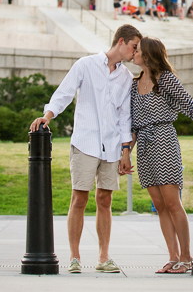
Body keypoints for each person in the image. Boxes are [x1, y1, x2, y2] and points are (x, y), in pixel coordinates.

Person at [30, 24, 142, 275]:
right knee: (79, 199)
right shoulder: (85, 65)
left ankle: (103, 257)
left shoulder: (126, 77)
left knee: (105, 200)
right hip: (85, 142)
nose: (135, 53)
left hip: (112, 147)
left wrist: (126, 151)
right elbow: (64, 93)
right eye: (134, 47)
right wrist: (47, 116)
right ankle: (74, 257)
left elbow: (124, 116)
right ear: (121, 41)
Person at [128, 36, 193, 274]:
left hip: (164, 141)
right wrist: (126, 153)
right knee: (159, 205)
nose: (134, 53)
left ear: (148, 55)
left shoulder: (166, 79)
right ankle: (172, 257)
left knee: (172, 203)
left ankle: (186, 258)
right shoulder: (132, 84)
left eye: (137, 50)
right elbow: (130, 123)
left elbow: (190, 105)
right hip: (144, 146)